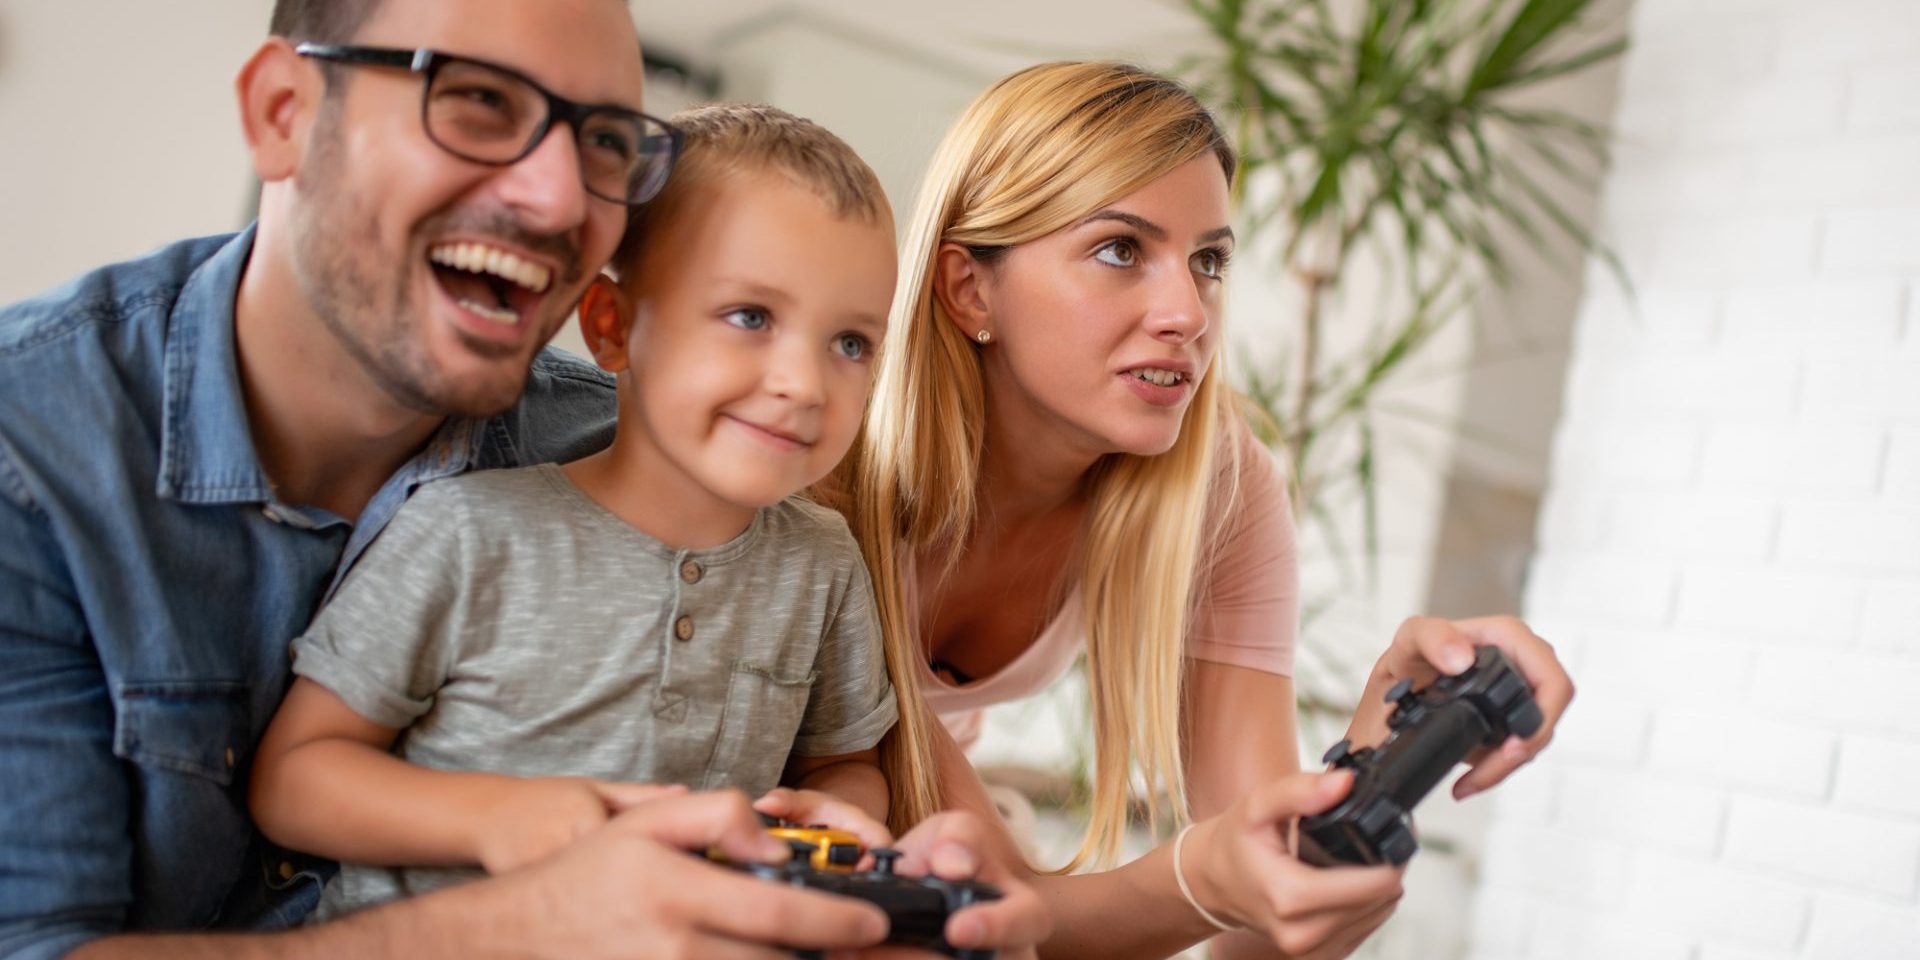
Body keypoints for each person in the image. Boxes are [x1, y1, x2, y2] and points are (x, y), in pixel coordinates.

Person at [0, 1, 1044, 957]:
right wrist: (528, 900)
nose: (559, 199)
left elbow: (853, 771)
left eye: (602, 142)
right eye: (478, 103)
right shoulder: (31, 458)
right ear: (283, 110)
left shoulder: (690, 458)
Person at [830, 60, 1577, 959]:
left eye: (1209, 261)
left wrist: (1380, 750)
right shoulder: (825, 448)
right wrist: (1201, 879)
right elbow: (1007, 914)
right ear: (969, 288)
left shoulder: (1218, 483)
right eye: (1120, 250)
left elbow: (1267, 910)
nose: (1187, 313)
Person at [246, 101, 903, 918]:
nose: (805, 385)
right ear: (612, 327)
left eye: (851, 343)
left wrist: (842, 812)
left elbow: (847, 761)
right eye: (750, 317)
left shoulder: (824, 563)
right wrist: (499, 818)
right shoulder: (465, 533)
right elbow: (292, 777)